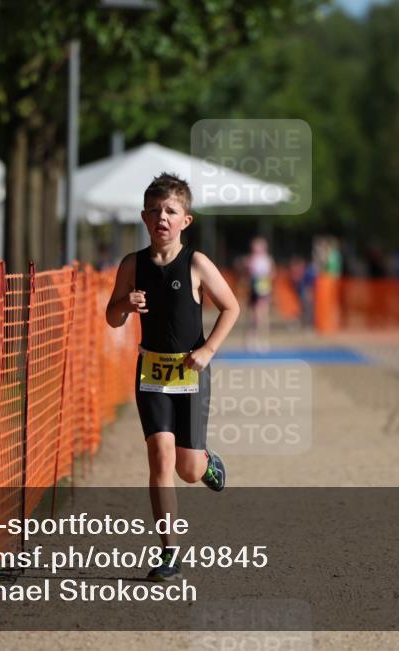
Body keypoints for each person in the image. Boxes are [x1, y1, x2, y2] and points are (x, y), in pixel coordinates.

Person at [105, 173, 240, 582]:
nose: (162, 217)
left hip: (191, 373)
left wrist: (207, 350)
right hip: (151, 375)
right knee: (160, 458)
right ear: (144, 218)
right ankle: (169, 551)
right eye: (155, 211)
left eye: (171, 211)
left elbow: (230, 308)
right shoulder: (133, 265)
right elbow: (111, 318)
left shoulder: (196, 263)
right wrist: (124, 305)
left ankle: (207, 463)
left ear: (186, 220)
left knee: (188, 470)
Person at [246, 236, 274, 352]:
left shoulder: (266, 259)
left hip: (263, 289)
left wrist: (264, 282)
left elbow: (272, 273)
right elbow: (248, 274)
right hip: (254, 288)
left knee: (262, 316)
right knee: (254, 316)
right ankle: (251, 340)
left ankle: (263, 341)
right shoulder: (251, 259)